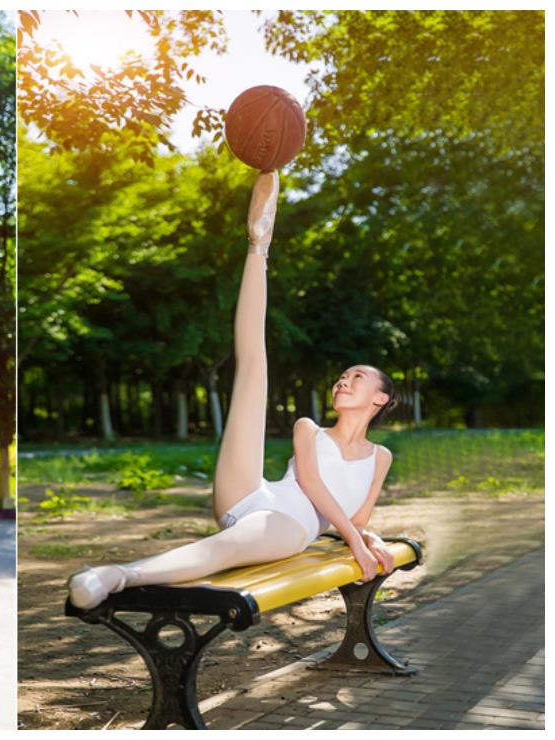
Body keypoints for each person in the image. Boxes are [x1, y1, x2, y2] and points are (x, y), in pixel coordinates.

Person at [67, 171, 400, 611]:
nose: (343, 380)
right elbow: (312, 485)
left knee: (221, 550)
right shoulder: (309, 429)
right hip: (254, 493)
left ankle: (117, 575)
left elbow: (355, 519)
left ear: (380, 398)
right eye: (342, 375)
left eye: (356, 377)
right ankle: (259, 245)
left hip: (289, 526)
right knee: (253, 369)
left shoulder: (380, 457)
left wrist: (367, 537)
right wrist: (357, 541)